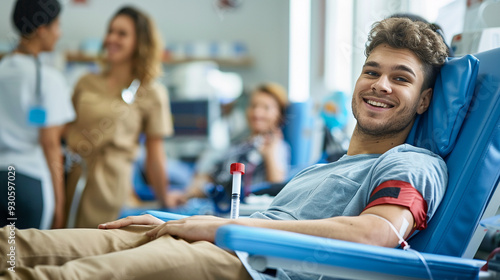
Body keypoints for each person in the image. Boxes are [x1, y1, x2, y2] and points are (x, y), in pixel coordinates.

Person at [0, 17, 450, 280]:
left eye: (401, 77)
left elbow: (378, 234)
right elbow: (269, 218)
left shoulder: (413, 161)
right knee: (18, 245)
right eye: (372, 71)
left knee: (58, 277)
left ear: (425, 100)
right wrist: (173, 220)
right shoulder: (324, 170)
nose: (380, 85)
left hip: (247, 263)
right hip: (225, 238)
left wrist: (217, 228)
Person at [63, 6, 183, 228]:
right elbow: (64, 129)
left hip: (112, 187)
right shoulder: (86, 82)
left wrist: (164, 197)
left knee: (98, 249)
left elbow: (155, 155)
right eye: (110, 31)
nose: (111, 38)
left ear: (140, 42)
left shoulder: (151, 92)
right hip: (74, 179)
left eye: (122, 33)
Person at [0, 0, 75, 230]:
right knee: (25, 260)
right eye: (57, 26)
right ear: (42, 30)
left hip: (2, 175)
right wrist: (61, 205)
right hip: (29, 182)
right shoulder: (48, 80)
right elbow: (50, 142)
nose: (59, 34)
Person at [183, 82, 290, 205]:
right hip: (211, 201)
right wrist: (189, 193)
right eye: (253, 106)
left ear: (279, 115)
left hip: (243, 208)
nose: (257, 113)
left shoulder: (278, 147)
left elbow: (277, 186)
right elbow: (211, 176)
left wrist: (270, 154)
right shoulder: (239, 144)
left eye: (266, 108)